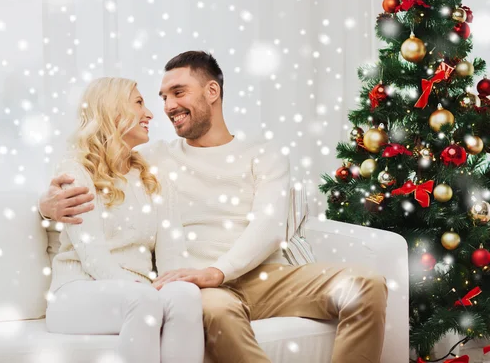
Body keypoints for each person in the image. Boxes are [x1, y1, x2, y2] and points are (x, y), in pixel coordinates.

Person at [40, 51, 388, 363]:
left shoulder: (262, 153)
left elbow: (269, 227)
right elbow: (98, 168)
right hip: (204, 289)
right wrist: (46, 206)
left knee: (366, 283)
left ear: (212, 92)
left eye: (178, 92)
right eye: (161, 97)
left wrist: (219, 270)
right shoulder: (151, 160)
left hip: (264, 277)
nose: (166, 106)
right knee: (216, 313)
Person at [43, 77, 204, 363]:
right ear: (112, 112)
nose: (151, 114)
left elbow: (173, 260)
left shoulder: (155, 179)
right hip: (78, 291)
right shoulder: (76, 172)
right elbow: (94, 260)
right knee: (143, 301)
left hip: (140, 294)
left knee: (186, 295)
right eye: (139, 103)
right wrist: (147, 292)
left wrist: (172, 286)